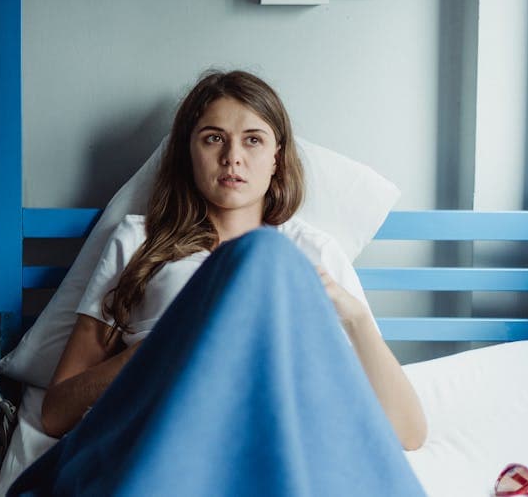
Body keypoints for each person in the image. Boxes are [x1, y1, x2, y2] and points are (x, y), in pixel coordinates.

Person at [38, 70, 427, 451]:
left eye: (253, 140)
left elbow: (408, 433)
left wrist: (355, 317)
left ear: (276, 158)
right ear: (189, 154)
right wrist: (154, 352)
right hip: (169, 438)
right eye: (213, 139)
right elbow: (55, 414)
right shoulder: (139, 242)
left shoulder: (313, 252)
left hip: (276, 439)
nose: (232, 158)